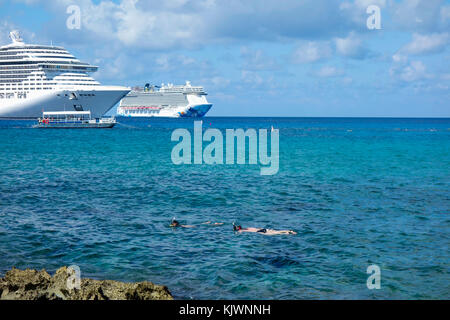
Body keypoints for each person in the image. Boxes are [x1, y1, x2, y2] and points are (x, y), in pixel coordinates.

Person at [233, 222, 297, 235]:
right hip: (263, 229)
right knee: (277, 231)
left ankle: (289, 232)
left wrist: (235, 229)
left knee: (277, 233)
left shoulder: (242, 230)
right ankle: (288, 231)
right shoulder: (248, 228)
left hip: (261, 232)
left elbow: (237, 233)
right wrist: (234, 225)